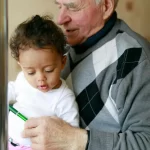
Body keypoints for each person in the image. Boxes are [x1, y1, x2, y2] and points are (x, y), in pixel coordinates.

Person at [22, 0, 150, 149]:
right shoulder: (61, 46)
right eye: (59, 6)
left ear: (106, 6)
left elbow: (146, 142)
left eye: (72, 7)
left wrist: (75, 139)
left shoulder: (135, 60)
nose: (60, 19)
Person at [8, 15, 79, 150]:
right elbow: (10, 90)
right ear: (21, 65)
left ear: (62, 62)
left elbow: (71, 133)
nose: (40, 78)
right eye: (31, 72)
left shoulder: (63, 97)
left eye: (49, 70)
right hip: (8, 140)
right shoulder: (22, 79)